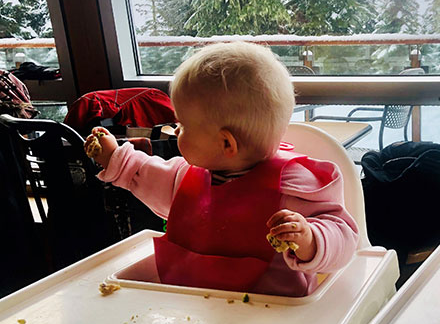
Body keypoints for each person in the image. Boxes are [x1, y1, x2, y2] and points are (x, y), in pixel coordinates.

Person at [85, 42, 358, 296]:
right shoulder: (186, 177)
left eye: (182, 126)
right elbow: (146, 175)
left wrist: (310, 238)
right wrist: (114, 157)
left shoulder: (294, 185)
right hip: (194, 308)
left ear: (226, 142)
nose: (176, 132)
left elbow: (344, 235)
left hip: (274, 318)